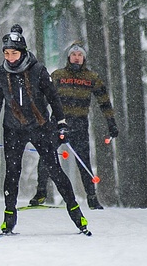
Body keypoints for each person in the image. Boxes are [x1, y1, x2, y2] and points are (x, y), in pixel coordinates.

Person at [0, 24, 89, 235]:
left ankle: (76, 213)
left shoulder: (38, 69)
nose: (10, 58)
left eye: (14, 53)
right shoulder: (1, 73)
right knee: (12, 172)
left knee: (54, 169)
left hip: (40, 127)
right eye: (6, 53)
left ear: (22, 53)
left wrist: (61, 123)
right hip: (12, 129)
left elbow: (53, 98)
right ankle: (9, 218)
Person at [30, 41, 119, 209]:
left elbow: (104, 101)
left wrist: (111, 123)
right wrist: (38, 121)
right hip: (57, 123)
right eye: (74, 55)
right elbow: (43, 99)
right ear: (68, 57)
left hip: (79, 125)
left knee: (83, 161)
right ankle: (41, 192)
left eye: (80, 56)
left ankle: (92, 197)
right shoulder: (57, 75)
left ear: (84, 58)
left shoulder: (91, 78)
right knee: (45, 157)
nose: (77, 58)